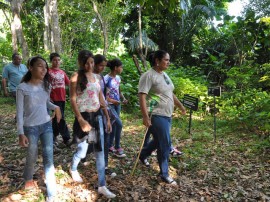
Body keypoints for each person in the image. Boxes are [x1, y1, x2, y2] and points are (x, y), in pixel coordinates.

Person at [69, 50, 116, 199]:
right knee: (83, 151)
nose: (90, 65)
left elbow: (101, 98)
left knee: (100, 152)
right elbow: (72, 99)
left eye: (92, 62)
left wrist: (107, 118)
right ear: (81, 63)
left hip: (97, 117)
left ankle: (102, 185)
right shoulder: (76, 77)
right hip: (84, 117)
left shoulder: (97, 77)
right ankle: (73, 168)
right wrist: (80, 119)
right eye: (87, 62)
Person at [16, 56, 62, 202]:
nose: (44, 69)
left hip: (46, 125)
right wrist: (20, 133)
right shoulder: (22, 88)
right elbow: (19, 112)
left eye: (45, 67)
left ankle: (52, 194)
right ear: (31, 68)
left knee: (49, 157)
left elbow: (46, 103)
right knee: (32, 155)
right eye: (40, 66)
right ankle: (28, 177)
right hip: (30, 128)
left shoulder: (46, 85)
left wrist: (56, 107)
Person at [138, 50, 186, 185]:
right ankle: (164, 174)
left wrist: (180, 106)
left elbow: (170, 93)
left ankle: (142, 155)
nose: (168, 62)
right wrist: (145, 116)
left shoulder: (164, 74)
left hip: (167, 114)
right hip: (156, 115)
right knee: (165, 144)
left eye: (168, 60)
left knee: (158, 141)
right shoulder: (148, 76)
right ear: (157, 61)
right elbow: (141, 95)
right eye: (166, 60)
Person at [93, 54, 117, 177]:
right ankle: (82, 156)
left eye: (104, 66)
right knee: (93, 138)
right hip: (93, 111)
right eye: (100, 65)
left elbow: (102, 95)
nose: (102, 68)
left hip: (103, 108)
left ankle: (105, 165)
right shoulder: (89, 77)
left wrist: (107, 114)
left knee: (107, 135)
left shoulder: (101, 76)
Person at [104, 58, 128, 158]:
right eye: (120, 67)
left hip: (117, 104)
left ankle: (110, 145)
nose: (122, 69)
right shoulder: (105, 79)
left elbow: (118, 90)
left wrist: (123, 98)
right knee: (119, 124)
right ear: (115, 68)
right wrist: (112, 101)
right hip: (109, 105)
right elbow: (103, 94)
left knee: (114, 125)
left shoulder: (118, 78)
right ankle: (117, 146)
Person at [48, 53, 71, 147]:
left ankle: (53, 138)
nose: (57, 62)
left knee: (55, 119)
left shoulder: (62, 72)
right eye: (54, 60)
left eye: (58, 60)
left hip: (62, 98)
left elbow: (69, 83)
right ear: (51, 61)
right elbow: (45, 85)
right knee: (60, 118)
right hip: (53, 99)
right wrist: (48, 97)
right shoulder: (48, 72)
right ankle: (67, 139)